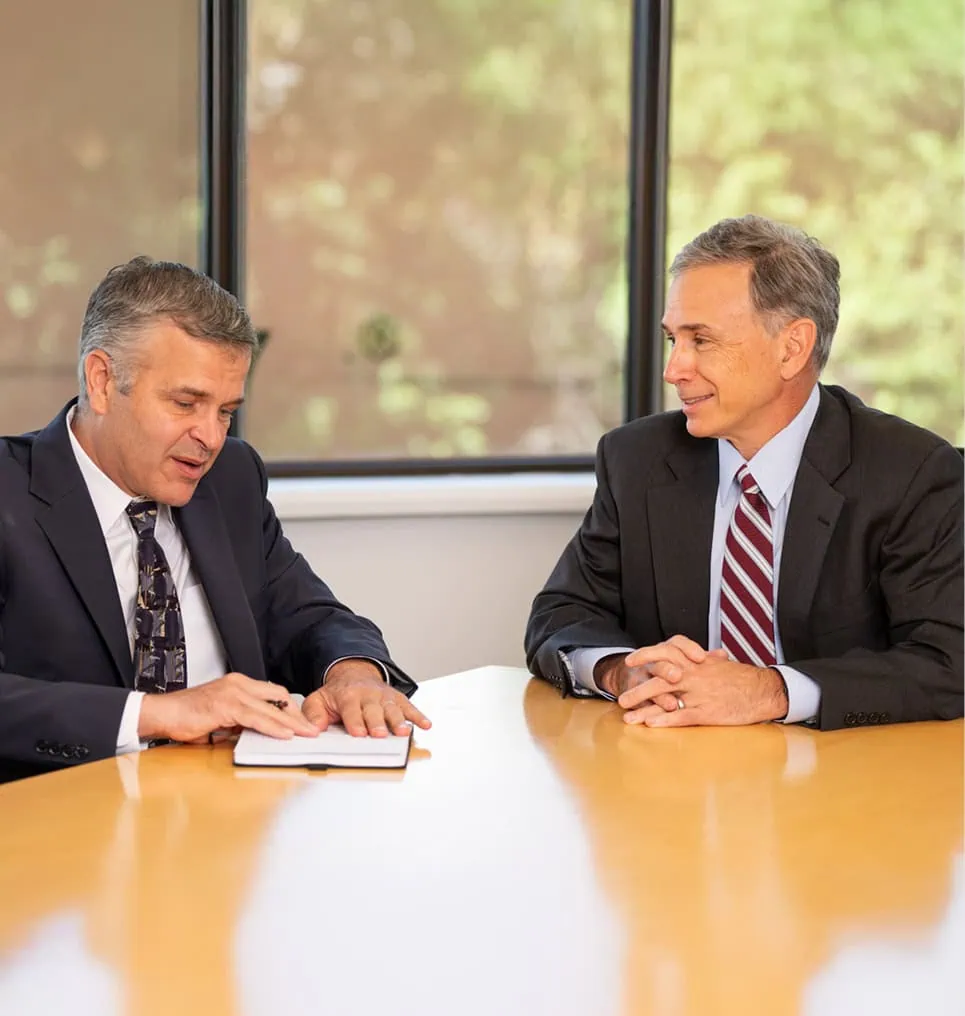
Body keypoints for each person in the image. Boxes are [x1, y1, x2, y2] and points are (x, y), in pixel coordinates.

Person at [525, 215, 963, 730]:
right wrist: (623, 672)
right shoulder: (636, 459)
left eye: (702, 340)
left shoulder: (911, 472)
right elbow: (560, 616)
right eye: (672, 340)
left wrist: (772, 691)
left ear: (792, 348)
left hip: (840, 784)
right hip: (671, 778)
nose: (674, 370)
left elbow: (949, 660)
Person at [0, 257, 430, 782]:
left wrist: (354, 675)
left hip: (225, 819)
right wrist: (161, 713)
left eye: (225, 411)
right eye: (186, 403)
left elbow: (310, 616)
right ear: (103, 381)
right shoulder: (9, 494)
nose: (211, 437)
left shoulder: (231, 480)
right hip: (55, 829)